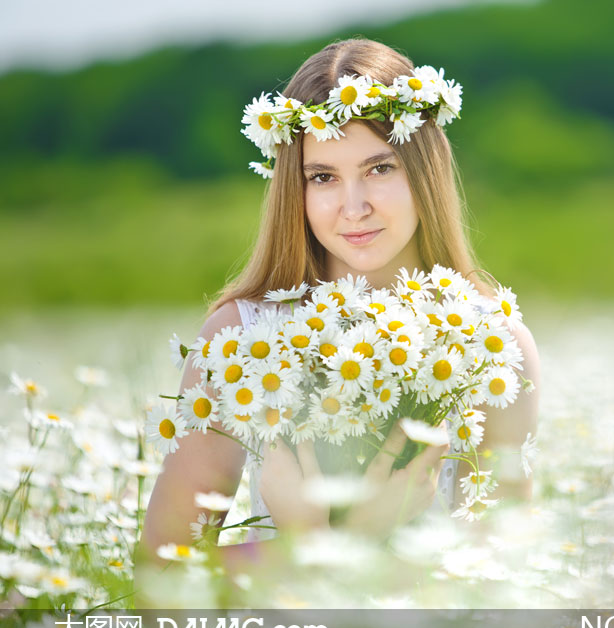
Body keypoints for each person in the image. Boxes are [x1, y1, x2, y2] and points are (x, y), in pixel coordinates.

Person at [135, 38, 541, 592]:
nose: (354, 206)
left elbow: (511, 582)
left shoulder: (488, 346)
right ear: (293, 188)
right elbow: (160, 579)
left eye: (379, 167)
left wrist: (370, 549)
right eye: (322, 176)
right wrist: (316, 549)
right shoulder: (241, 340)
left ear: (424, 169)